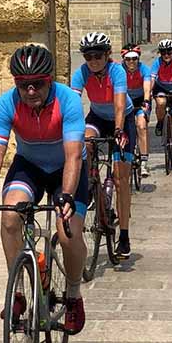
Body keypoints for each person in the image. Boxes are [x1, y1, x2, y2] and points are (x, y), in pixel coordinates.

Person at [0, 45, 88, 335]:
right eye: (23, 85)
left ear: (50, 80)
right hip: (30, 165)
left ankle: (73, 295)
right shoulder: (6, 103)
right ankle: (19, 291)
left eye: (38, 84)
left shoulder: (68, 102)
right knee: (10, 216)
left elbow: (73, 155)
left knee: (66, 229)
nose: (31, 91)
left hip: (67, 168)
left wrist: (67, 196)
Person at [71, 32, 136, 259]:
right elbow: (72, 102)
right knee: (85, 142)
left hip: (122, 120)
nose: (93, 60)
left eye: (98, 55)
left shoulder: (117, 71)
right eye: (88, 56)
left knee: (121, 179)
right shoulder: (82, 73)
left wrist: (118, 131)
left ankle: (125, 236)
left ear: (107, 55)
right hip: (97, 117)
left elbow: (119, 106)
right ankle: (90, 181)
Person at [121, 43, 152, 178]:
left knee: (141, 126)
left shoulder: (144, 69)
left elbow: (147, 86)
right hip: (125, 99)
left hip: (140, 99)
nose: (131, 62)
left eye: (134, 59)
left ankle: (144, 162)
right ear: (123, 59)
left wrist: (146, 100)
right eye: (128, 59)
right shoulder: (119, 70)